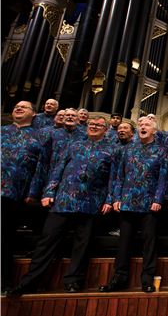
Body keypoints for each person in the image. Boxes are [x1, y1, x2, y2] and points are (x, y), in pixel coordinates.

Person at [8, 116, 115, 296]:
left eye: (98, 125)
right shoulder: (74, 145)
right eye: (91, 124)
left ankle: (73, 281)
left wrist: (109, 199)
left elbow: (113, 178)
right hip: (63, 200)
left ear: (106, 129)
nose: (94, 127)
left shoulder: (112, 150)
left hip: (90, 202)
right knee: (47, 241)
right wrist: (49, 192)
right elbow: (57, 170)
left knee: (82, 244)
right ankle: (30, 281)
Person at [99, 116, 168, 293]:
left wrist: (158, 199)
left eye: (147, 125)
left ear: (154, 130)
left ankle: (147, 279)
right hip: (127, 202)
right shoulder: (128, 149)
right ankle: (119, 278)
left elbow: (163, 177)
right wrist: (116, 198)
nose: (142, 127)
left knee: (149, 243)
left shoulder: (162, 150)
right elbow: (119, 176)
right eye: (141, 125)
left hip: (149, 205)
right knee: (124, 243)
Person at [1, 101, 46, 292]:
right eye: (16, 106)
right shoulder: (2, 131)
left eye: (24, 107)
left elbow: (40, 169)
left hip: (12, 193)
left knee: (4, 237)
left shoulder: (38, 137)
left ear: (34, 114)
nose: (18, 108)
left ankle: (3, 280)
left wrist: (32, 193)